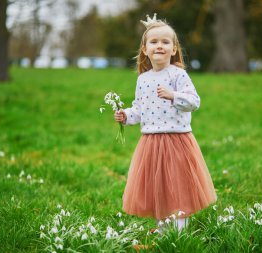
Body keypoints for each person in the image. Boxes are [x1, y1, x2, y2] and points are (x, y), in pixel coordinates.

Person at [114, 14, 217, 231]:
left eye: (165, 42)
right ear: (145, 49)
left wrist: (173, 96)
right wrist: (126, 115)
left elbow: (194, 101)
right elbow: (140, 109)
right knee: (158, 187)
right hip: (151, 142)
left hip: (176, 139)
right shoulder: (143, 79)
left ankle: (179, 230)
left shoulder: (178, 75)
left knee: (178, 185)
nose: (159, 45)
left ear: (173, 49)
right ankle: (164, 228)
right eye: (153, 42)